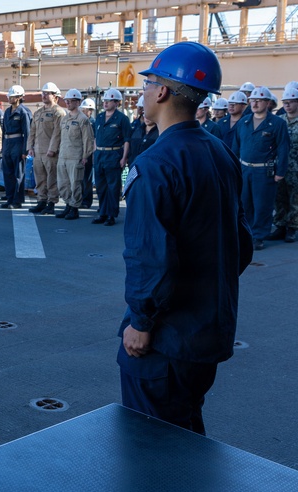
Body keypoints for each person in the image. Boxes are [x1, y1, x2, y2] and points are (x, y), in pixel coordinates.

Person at [120, 41, 253, 435]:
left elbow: (150, 256)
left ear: (162, 91)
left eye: (148, 84)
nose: (144, 92)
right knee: (187, 437)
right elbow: (241, 244)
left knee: (153, 445)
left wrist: (141, 321)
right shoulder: (221, 152)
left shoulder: (155, 163)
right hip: (206, 333)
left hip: (166, 341)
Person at [230, 86, 290, 250]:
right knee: (245, 203)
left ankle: (259, 235)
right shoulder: (244, 122)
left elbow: (283, 148)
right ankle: (247, 233)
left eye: (259, 100)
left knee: (263, 205)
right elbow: (236, 147)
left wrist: (280, 172)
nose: (255, 104)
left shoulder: (277, 123)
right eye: (253, 101)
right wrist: (234, 168)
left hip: (264, 171)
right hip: (245, 169)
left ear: (268, 103)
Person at [54, 89, 95, 220]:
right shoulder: (65, 119)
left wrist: (85, 156)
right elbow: (60, 137)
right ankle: (68, 204)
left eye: (71, 101)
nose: (68, 103)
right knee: (63, 183)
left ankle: (74, 208)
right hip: (63, 155)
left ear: (78, 102)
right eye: (67, 101)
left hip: (75, 156)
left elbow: (88, 139)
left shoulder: (83, 119)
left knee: (75, 184)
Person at [93, 88, 131, 226]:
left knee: (113, 187)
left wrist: (124, 158)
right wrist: (95, 151)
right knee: (101, 186)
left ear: (116, 103)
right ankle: (102, 213)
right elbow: (95, 137)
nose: (106, 103)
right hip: (100, 155)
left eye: (109, 101)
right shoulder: (99, 117)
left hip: (113, 155)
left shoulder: (122, 119)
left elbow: (127, 140)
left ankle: (111, 215)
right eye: (105, 100)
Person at [28, 83, 66, 215]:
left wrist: (53, 149)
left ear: (55, 96)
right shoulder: (38, 113)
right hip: (38, 151)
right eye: (43, 93)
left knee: (51, 178)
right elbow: (32, 131)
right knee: (40, 178)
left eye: (47, 93)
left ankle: (51, 202)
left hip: (50, 152)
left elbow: (57, 133)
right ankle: (41, 201)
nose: (44, 96)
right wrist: (30, 147)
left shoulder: (58, 112)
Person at [269, 86, 298, 243]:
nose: (287, 105)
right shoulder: (279, 121)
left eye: (290, 102)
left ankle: (292, 227)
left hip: (296, 167)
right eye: (285, 102)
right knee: (279, 197)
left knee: (295, 198)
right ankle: (280, 225)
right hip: (280, 165)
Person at [1, 85, 32, 208]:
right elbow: (4, 131)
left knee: (18, 174)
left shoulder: (23, 112)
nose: (9, 98)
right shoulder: (7, 111)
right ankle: (10, 199)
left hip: (18, 143)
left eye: (12, 96)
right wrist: (3, 147)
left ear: (19, 97)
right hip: (7, 143)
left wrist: (25, 150)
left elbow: (27, 132)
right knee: (8, 173)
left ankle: (17, 201)